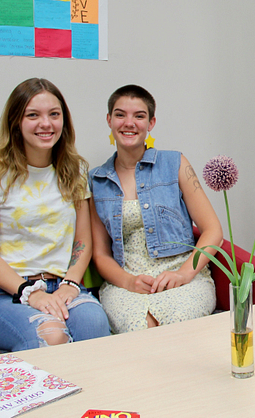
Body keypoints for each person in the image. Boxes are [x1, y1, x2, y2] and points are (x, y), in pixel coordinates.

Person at [0, 78, 110, 352]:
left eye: (54, 115)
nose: (46, 124)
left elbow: (83, 239)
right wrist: (29, 293)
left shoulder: (74, 169)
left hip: (64, 286)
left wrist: (70, 283)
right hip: (4, 295)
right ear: (15, 122)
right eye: (33, 115)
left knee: (94, 326)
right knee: (50, 334)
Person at [89, 85, 223, 333]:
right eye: (120, 115)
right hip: (125, 283)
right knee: (138, 328)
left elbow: (213, 230)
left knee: (172, 325)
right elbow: (101, 255)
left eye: (139, 116)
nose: (129, 123)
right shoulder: (96, 181)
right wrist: (129, 281)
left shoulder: (176, 163)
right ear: (109, 120)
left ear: (151, 123)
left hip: (184, 278)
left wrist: (183, 274)